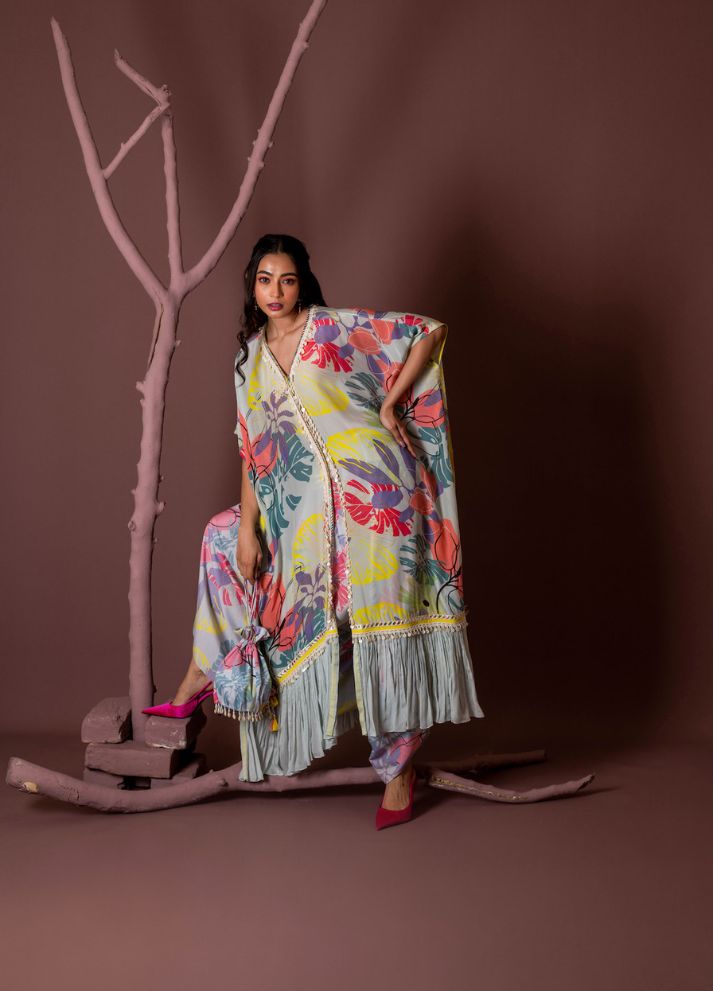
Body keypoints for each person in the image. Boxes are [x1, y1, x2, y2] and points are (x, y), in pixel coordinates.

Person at [143, 233, 485, 829]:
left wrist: (389, 404)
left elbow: (427, 331)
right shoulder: (249, 360)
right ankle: (204, 671)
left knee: (376, 627)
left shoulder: (333, 327)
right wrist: (249, 528)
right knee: (222, 536)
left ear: (302, 283)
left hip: (372, 498)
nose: (275, 292)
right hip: (299, 515)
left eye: (287, 279)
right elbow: (253, 451)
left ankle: (397, 767)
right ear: (252, 286)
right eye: (265, 280)